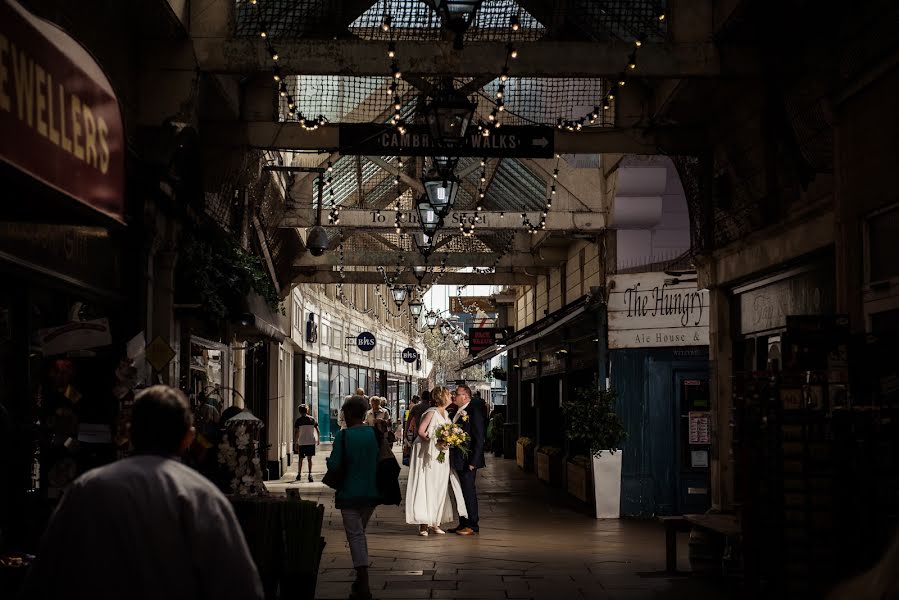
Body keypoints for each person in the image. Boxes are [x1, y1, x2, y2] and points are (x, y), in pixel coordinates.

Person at [21, 385, 264, 600]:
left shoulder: (87, 489)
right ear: (188, 437)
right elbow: (239, 585)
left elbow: (43, 577)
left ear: (130, 432)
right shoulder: (202, 497)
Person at [327, 395, 381, 600]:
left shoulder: (343, 436)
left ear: (349, 413)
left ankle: (363, 579)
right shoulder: (373, 433)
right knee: (360, 533)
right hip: (371, 492)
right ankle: (359, 581)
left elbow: (334, 465)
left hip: (349, 492)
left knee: (355, 535)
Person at [405, 386, 467, 536]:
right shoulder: (431, 412)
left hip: (441, 454)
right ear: (442, 397)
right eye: (449, 395)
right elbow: (421, 431)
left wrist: (449, 440)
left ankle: (435, 522)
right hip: (428, 454)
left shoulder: (445, 413)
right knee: (426, 486)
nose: (451, 397)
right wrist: (436, 441)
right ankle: (423, 525)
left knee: (439, 487)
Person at [447, 384, 487, 536]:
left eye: (456, 394)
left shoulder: (473, 411)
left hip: (467, 460)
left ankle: (472, 525)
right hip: (457, 458)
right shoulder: (456, 412)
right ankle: (463, 522)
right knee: (459, 492)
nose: (453, 396)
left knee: (468, 491)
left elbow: (479, 437)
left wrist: (474, 461)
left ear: (465, 396)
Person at [293, 405, 320, 482]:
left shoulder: (298, 421)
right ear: (307, 410)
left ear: (299, 411)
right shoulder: (312, 419)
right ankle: (310, 474)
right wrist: (318, 440)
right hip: (311, 441)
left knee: (300, 459)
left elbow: (296, 433)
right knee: (309, 459)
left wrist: (295, 443)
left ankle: (299, 474)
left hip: (302, 442)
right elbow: (318, 430)